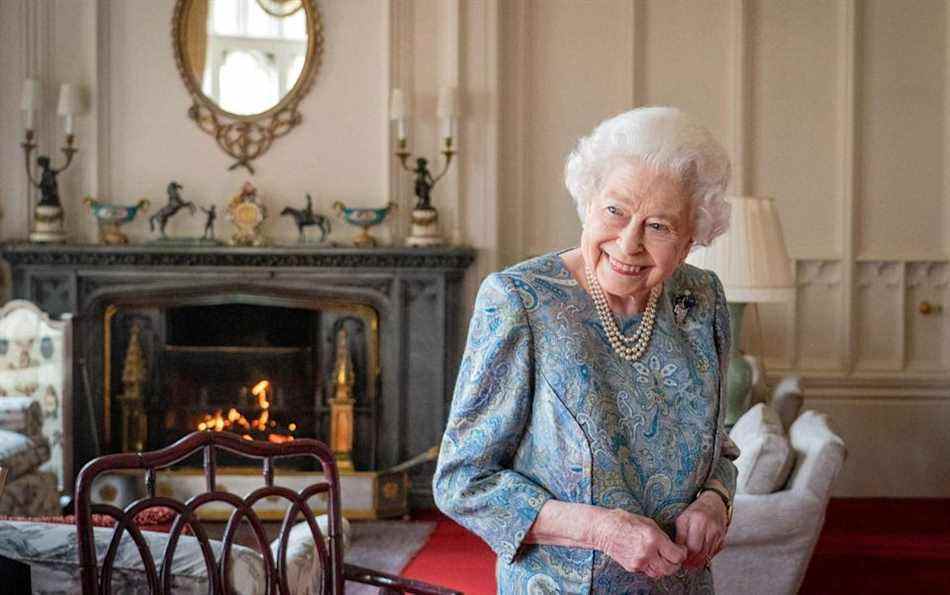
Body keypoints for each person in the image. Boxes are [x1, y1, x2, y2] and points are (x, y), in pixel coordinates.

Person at [433, 107, 739, 593]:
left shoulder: (702, 300)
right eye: (615, 211)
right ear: (589, 201)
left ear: (690, 239)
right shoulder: (521, 301)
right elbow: (463, 482)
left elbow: (718, 448)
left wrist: (715, 500)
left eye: (659, 226)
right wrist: (601, 530)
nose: (629, 242)